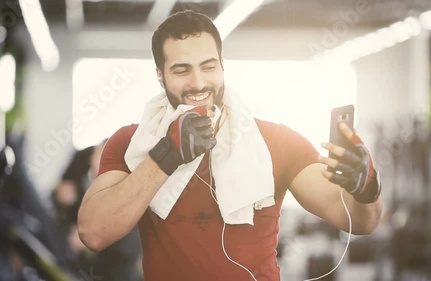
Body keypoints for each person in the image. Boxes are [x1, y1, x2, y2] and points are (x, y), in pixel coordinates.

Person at [77, 10, 383, 281]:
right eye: (182, 70)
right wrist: (166, 157)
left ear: (222, 66)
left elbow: (359, 220)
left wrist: (367, 190)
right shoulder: (134, 143)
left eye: (208, 67)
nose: (198, 82)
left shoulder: (274, 142)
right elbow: (93, 233)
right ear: (160, 75)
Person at [53, 140, 142, 281]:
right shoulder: (87, 187)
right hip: (80, 265)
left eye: (98, 155)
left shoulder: (125, 192)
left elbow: (129, 245)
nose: (92, 159)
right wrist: (63, 200)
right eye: (95, 154)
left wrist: (92, 238)